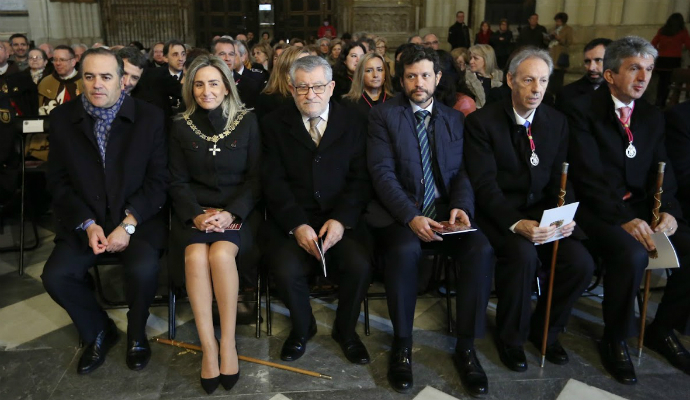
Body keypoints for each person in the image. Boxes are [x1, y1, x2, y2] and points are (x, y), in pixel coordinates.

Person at [367, 44, 493, 396]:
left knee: (480, 250)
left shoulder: (454, 118)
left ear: (437, 78)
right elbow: (382, 174)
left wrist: (462, 206)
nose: (418, 83)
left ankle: (466, 348)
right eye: (411, 76)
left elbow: (463, 171)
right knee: (404, 252)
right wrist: (411, 216)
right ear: (401, 80)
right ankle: (402, 345)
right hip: (402, 213)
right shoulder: (383, 116)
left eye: (425, 75)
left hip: (446, 213)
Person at [566, 36, 690, 384]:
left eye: (648, 69)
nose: (644, 77)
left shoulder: (651, 116)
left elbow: (663, 170)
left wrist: (667, 210)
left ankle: (663, 329)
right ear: (610, 75)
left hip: (639, 207)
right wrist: (624, 219)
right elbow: (587, 176)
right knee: (632, 255)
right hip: (596, 209)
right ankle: (615, 338)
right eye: (634, 68)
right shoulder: (581, 110)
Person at [465, 47, 594, 373]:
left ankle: (546, 330)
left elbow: (562, 178)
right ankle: (511, 338)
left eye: (543, 81)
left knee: (580, 262)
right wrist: (516, 223)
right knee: (522, 256)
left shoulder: (556, 121)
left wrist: (564, 218)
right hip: (500, 215)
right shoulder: (482, 122)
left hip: (544, 213)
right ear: (510, 80)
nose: (537, 89)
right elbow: (484, 186)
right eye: (528, 80)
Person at [41, 47, 168, 375]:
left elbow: (159, 181)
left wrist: (128, 223)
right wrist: (87, 223)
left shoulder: (150, 117)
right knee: (56, 276)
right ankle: (98, 330)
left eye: (106, 76)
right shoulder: (62, 119)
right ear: (81, 80)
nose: (97, 84)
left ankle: (137, 334)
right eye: (89, 76)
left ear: (122, 81)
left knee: (143, 269)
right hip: (86, 219)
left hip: (137, 218)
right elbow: (58, 182)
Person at [260, 56, 372, 365]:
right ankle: (302, 327)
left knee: (359, 265)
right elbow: (273, 181)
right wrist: (296, 224)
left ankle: (346, 330)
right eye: (303, 87)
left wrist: (341, 220)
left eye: (318, 86)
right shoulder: (273, 124)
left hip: (341, 218)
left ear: (331, 87)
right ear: (291, 89)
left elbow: (361, 179)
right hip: (295, 219)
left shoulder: (354, 121)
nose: (310, 94)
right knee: (284, 268)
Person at [168, 54, 260, 394]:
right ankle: (209, 348)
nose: (206, 91)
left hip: (237, 213)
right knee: (195, 257)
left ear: (227, 87)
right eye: (199, 84)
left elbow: (256, 178)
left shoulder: (247, 121)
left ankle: (228, 344)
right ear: (191, 89)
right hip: (195, 212)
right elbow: (176, 181)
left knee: (220, 255)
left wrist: (232, 212)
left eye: (213, 83)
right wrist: (196, 214)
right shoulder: (180, 125)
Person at [555, 38, 612, 111]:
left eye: (598, 60)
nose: (591, 68)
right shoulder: (567, 94)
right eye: (587, 61)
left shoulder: (624, 91)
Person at [256, 46, 310, 120]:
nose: (310, 69)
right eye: (303, 65)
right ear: (287, 71)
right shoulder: (268, 100)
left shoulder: (314, 95)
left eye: (310, 64)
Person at [651, 13, 690, 107]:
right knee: (670, 83)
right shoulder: (682, 32)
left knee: (661, 83)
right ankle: (664, 102)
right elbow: (688, 45)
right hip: (673, 61)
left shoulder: (662, 31)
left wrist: (659, 51)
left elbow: (653, 44)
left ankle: (658, 101)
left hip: (661, 60)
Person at [342, 52, 394, 118]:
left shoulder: (395, 100)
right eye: (369, 70)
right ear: (361, 74)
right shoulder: (348, 102)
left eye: (380, 70)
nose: (375, 75)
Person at [37, 45, 83, 116]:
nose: (58, 63)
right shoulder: (45, 82)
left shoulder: (84, 81)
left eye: (62, 60)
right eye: (55, 60)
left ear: (73, 62)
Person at [465, 44, 502, 108]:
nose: (471, 61)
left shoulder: (501, 78)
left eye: (475, 58)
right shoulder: (466, 80)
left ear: (486, 59)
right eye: (470, 58)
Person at [547, 12, 573, 94]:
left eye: (559, 21)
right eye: (556, 21)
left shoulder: (568, 29)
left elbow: (569, 42)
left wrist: (559, 38)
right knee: (550, 76)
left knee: (559, 77)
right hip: (551, 54)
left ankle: (557, 92)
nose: (557, 23)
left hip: (560, 55)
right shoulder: (552, 29)